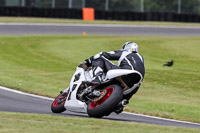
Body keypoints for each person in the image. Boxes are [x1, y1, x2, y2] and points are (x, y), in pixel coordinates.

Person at [80, 41, 145, 113]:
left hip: (125, 73)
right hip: (134, 84)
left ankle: (97, 78)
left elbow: (105, 54)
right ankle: (121, 103)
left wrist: (87, 62)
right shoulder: (141, 60)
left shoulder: (126, 52)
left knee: (99, 57)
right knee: (118, 107)